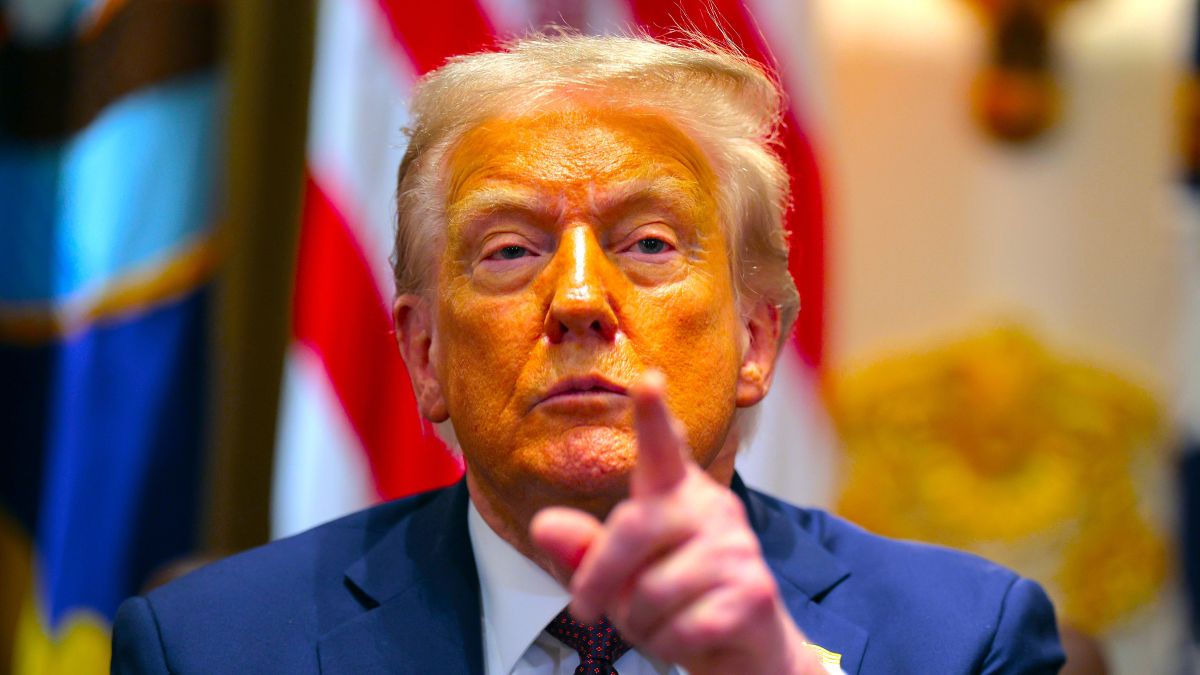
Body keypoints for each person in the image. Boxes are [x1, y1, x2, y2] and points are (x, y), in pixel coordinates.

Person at [111, 32, 1065, 674]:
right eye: (510, 249)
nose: (575, 300)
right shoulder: (211, 648)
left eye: (649, 243)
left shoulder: (963, 640)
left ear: (756, 339)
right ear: (424, 353)